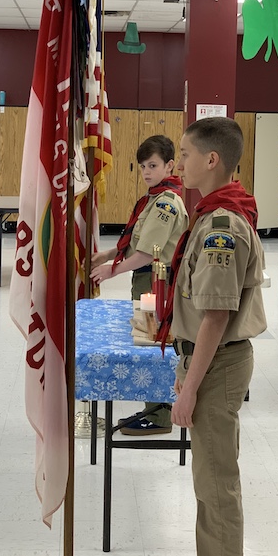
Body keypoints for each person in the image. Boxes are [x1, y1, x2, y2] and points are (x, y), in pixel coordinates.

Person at [156, 116, 266, 556]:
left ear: (212, 159)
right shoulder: (211, 212)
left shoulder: (222, 224)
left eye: (184, 153)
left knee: (217, 488)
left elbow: (216, 316)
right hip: (208, 360)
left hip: (217, 365)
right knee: (208, 484)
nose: (179, 162)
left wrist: (191, 387)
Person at [90, 134, 188, 435]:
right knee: (149, 338)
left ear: (169, 165)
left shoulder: (166, 203)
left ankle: (159, 415)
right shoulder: (153, 198)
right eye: (143, 166)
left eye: (153, 165)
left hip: (156, 281)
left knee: (153, 343)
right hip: (147, 278)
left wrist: (111, 270)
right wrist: (109, 254)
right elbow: (137, 242)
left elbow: (147, 254)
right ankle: (154, 408)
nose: (146, 171)